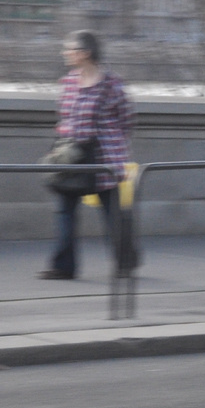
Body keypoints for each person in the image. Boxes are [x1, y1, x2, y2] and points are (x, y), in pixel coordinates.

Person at [40, 31, 133, 280]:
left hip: (104, 158)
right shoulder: (68, 82)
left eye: (70, 49)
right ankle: (64, 266)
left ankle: (124, 263)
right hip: (72, 157)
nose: (65, 53)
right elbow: (64, 117)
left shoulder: (112, 84)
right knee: (65, 211)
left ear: (85, 53)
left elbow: (126, 119)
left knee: (111, 214)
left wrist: (115, 144)